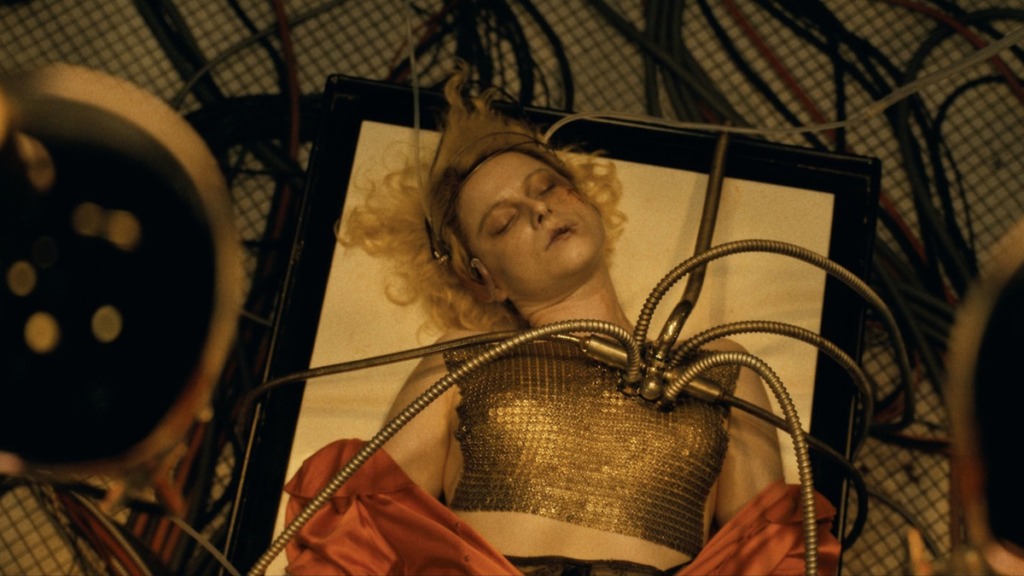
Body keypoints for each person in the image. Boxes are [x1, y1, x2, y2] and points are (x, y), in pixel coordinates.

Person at [282, 64, 841, 575]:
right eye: (504, 222)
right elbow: (363, 529)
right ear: (485, 279)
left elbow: (768, 556)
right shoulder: (464, 359)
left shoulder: (718, 367)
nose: (539, 209)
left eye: (548, 187)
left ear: (588, 202)